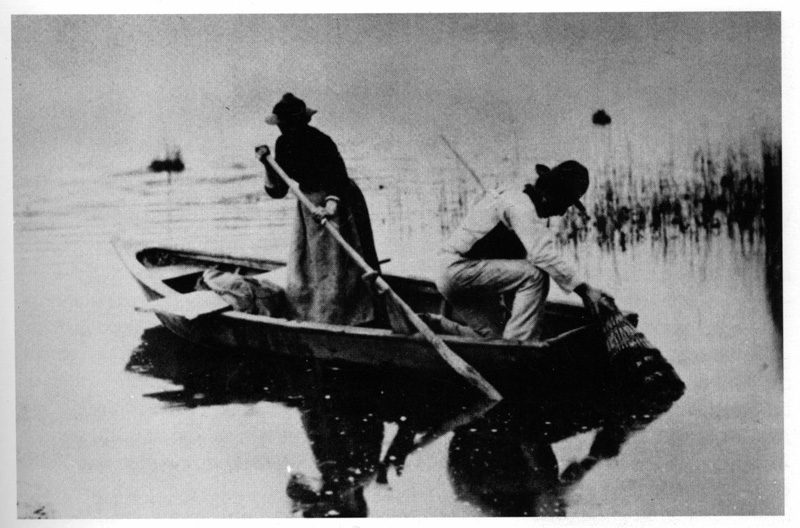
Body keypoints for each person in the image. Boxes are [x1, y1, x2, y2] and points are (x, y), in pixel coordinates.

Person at [435, 160, 612, 341]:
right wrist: (584, 290)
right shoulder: (520, 206)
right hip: (458, 271)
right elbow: (542, 255)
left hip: (457, 275)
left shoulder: (521, 201)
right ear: (551, 196)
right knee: (536, 274)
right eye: (564, 204)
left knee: (494, 337)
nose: (561, 213)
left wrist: (532, 318)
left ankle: (434, 326)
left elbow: (516, 276)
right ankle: (518, 347)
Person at [255, 93, 381, 326]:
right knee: (311, 264)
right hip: (309, 204)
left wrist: (330, 207)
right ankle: (318, 313)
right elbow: (279, 190)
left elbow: (338, 175)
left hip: (340, 199)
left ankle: (358, 315)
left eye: (286, 124)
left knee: (340, 263)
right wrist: (267, 164)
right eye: (281, 125)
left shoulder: (321, 141)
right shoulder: (283, 144)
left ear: (298, 122)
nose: (282, 129)